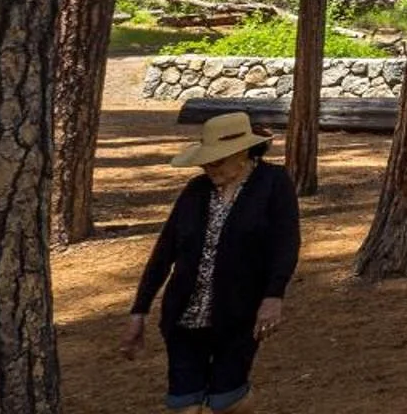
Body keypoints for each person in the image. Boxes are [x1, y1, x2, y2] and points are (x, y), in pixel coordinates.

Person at [123, 112, 301, 413]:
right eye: (205, 161)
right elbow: (164, 251)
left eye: (216, 161)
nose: (208, 167)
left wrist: (274, 295)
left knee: (226, 401)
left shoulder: (273, 184)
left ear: (241, 153)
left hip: (238, 317)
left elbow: (286, 243)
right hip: (185, 317)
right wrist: (140, 310)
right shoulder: (196, 190)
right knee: (184, 404)